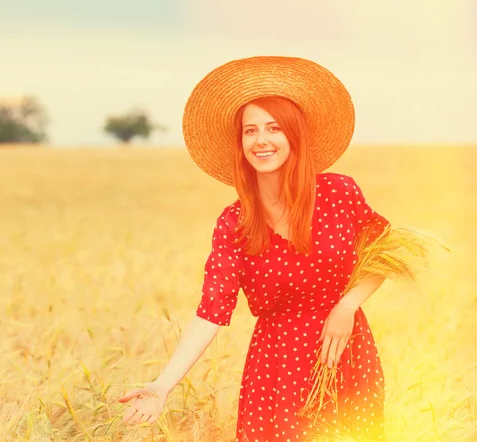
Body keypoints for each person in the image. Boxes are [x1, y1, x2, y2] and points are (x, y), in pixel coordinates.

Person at [119, 56, 394, 441]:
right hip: (277, 370)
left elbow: (386, 252)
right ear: (241, 143)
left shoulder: (338, 193)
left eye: (274, 128)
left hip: (346, 355)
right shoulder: (235, 223)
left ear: (295, 136)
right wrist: (163, 385)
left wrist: (347, 305)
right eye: (250, 131)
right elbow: (211, 311)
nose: (261, 140)